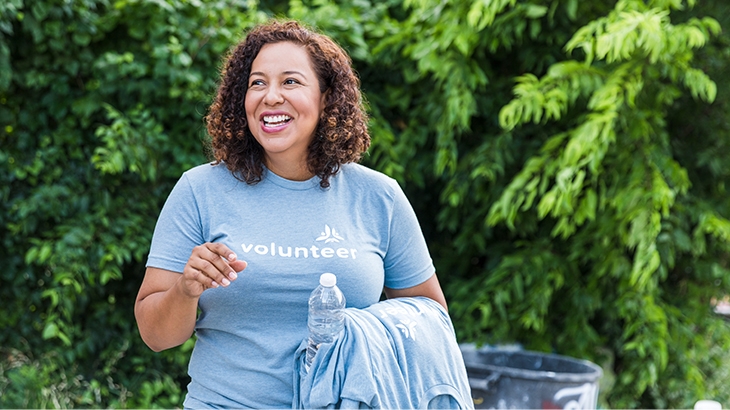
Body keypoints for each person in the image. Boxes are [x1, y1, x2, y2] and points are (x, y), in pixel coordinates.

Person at [134, 19, 447, 409]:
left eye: (291, 82)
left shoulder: (378, 196)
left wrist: (358, 334)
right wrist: (186, 288)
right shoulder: (201, 190)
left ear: (327, 98)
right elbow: (155, 335)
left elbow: (430, 318)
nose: (270, 96)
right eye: (257, 83)